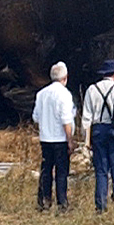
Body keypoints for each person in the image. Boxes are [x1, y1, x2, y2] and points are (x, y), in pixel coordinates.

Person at [80, 59, 114, 213]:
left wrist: (87, 139)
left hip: (98, 131)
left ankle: (100, 206)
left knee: (101, 170)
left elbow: (86, 118)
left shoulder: (92, 89)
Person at [33, 61, 74, 211]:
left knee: (46, 170)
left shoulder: (41, 94)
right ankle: (62, 202)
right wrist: (70, 140)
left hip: (45, 139)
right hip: (60, 139)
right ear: (65, 77)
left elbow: (35, 117)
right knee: (61, 172)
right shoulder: (65, 94)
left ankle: (44, 200)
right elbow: (66, 120)